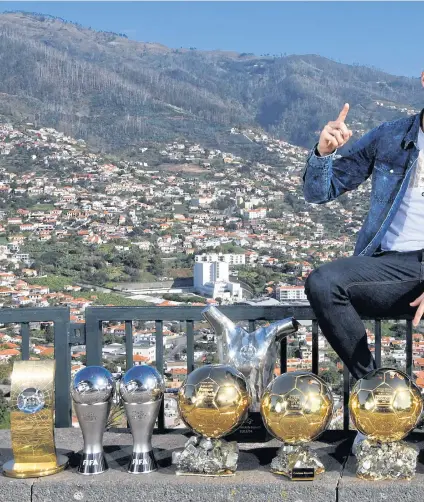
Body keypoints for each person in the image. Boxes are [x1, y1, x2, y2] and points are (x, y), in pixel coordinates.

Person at [303, 73, 424, 449]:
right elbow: (319, 192)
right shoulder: (391, 136)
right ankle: (376, 394)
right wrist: (323, 154)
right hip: (390, 267)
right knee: (323, 282)